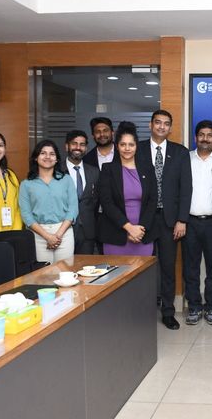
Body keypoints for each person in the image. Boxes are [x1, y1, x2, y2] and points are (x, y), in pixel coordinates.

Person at [137, 109, 193, 330]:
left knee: (168, 267)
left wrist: (182, 220)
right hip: (143, 219)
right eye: (158, 122)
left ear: (170, 127)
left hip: (170, 220)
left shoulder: (180, 152)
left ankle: (168, 312)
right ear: (150, 125)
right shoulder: (137, 149)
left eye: (166, 123)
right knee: (142, 268)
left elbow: (186, 188)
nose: (162, 126)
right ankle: (142, 311)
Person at [182, 120, 212, 326]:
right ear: (195, 138)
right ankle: (193, 306)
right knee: (190, 267)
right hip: (189, 222)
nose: (205, 139)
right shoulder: (185, 159)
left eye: (209, 135)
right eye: (201, 135)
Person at [98, 122, 158, 259]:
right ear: (117, 146)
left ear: (136, 146)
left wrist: (140, 230)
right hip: (116, 234)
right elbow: (107, 203)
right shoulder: (108, 169)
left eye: (131, 145)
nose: (127, 148)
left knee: (143, 272)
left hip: (143, 234)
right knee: (115, 271)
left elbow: (152, 201)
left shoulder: (148, 169)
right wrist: (129, 228)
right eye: (123, 144)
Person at [19, 140, 79, 263]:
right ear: (36, 157)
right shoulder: (26, 184)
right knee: (43, 273)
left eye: (52, 154)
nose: (47, 157)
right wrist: (47, 236)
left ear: (57, 159)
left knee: (65, 271)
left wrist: (58, 235)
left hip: (64, 233)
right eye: (43, 153)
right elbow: (26, 215)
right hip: (38, 235)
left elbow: (73, 209)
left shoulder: (66, 180)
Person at [64, 130, 100, 255]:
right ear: (67, 146)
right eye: (74, 143)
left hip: (87, 232)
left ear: (86, 148)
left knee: (86, 265)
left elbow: (96, 200)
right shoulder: (57, 172)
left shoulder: (94, 172)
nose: (78, 147)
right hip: (63, 230)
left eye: (82, 144)